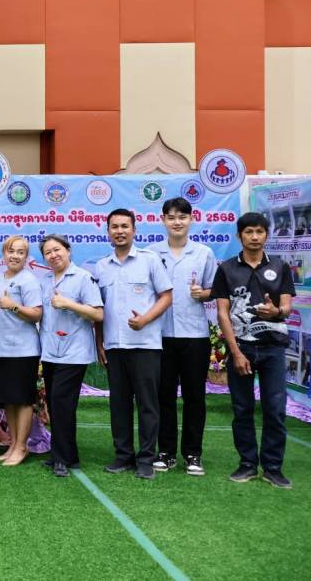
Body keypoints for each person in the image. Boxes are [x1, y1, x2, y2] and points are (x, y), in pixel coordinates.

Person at [212, 212, 295, 488]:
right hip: (242, 348)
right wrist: (235, 352)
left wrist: (276, 311)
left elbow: (286, 307)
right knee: (242, 409)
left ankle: (273, 468)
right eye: (249, 232)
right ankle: (247, 464)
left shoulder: (281, 266)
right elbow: (222, 313)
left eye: (259, 232)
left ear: (266, 235)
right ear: (240, 236)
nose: (255, 237)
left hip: (273, 349)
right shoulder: (226, 269)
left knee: (275, 409)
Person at [95, 209, 173, 480]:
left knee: (148, 404)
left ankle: (147, 459)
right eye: (114, 227)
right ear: (108, 231)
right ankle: (123, 456)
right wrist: (100, 342)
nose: (119, 231)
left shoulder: (149, 260)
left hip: (145, 345)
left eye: (124, 226)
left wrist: (145, 320)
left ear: (134, 230)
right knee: (119, 404)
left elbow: (166, 296)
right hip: (115, 346)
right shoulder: (102, 266)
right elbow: (98, 309)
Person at [148, 197, 217, 476]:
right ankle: (165, 452)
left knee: (194, 397)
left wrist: (204, 294)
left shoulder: (204, 253)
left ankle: (192, 454)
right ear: (162, 219)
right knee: (163, 396)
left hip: (194, 335)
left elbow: (214, 290)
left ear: (191, 219)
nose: (177, 222)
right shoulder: (151, 254)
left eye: (182, 217)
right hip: (160, 334)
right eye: (172, 217)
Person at [38, 235, 103, 478]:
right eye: (48, 252)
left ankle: (62, 458)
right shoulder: (44, 280)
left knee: (62, 403)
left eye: (57, 250)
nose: (53, 255)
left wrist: (68, 304)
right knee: (55, 404)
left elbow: (97, 314)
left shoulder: (83, 278)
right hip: (50, 350)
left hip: (74, 352)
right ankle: (67, 454)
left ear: (68, 250)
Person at [0, 235, 43, 467]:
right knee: (8, 400)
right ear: (4, 254)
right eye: (11, 251)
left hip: (23, 351)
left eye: (20, 252)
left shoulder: (28, 280)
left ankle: (22, 446)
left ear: (26, 257)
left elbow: (37, 314)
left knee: (22, 400)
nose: (15, 256)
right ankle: (12, 443)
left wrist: (14, 306)